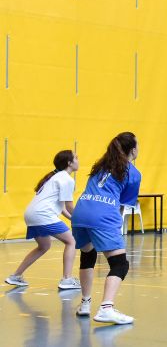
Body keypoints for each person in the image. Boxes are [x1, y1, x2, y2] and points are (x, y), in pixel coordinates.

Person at [71, 132, 141, 324]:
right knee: (120, 264)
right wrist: (112, 225)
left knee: (88, 254)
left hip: (80, 212)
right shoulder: (132, 173)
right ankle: (106, 308)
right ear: (132, 150)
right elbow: (122, 204)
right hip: (102, 215)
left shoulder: (100, 166)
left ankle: (85, 303)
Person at [5, 150, 81, 290]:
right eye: (76, 158)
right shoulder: (66, 179)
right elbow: (70, 206)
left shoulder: (56, 177)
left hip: (31, 214)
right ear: (69, 163)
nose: (78, 160)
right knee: (72, 241)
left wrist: (74, 220)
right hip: (42, 214)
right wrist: (83, 220)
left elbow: (62, 207)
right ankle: (67, 279)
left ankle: (16, 276)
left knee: (44, 246)